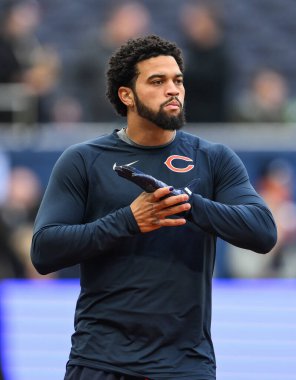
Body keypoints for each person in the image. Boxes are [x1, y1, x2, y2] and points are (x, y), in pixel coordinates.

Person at [31, 35, 277, 380]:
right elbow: (44, 250)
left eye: (177, 80)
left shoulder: (214, 158)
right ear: (126, 95)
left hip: (186, 364)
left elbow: (263, 231)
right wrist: (129, 220)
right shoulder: (83, 160)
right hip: (101, 360)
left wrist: (188, 203)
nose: (173, 90)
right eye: (157, 81)